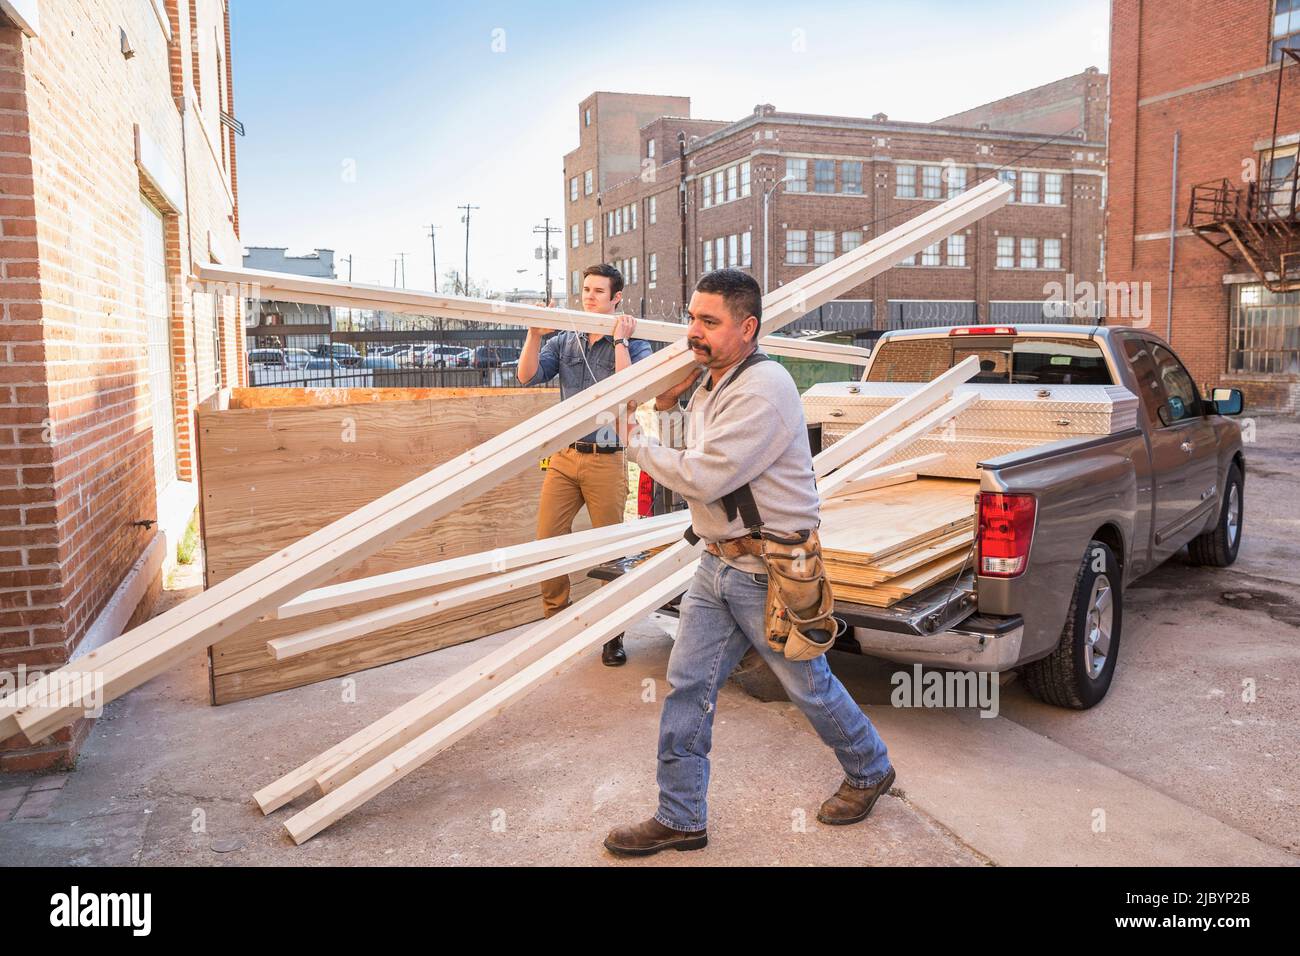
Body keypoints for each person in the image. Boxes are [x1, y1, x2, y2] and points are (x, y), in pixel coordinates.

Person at [604, 268, 895, 856]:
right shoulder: (715, 381)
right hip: (718, 565)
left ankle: (870, 770)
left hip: (772, 573)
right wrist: (663, 403)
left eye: (709, 322)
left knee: (808, 686)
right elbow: (695, 448)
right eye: (691, 317)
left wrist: (633, 437)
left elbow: (705, 475)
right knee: (688, 687)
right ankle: (680, 816)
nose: (694, 331)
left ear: (748, 327)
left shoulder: (763, 388)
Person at [517, 263, 653, 666]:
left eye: (598, 291)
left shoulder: (635, 341)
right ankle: (557, 622)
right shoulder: (565, 341)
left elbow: (632, 394)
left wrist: (621, 343)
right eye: (586, 289)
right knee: (548, 543)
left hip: (606, 460)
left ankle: (613, 635)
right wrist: (534, 333)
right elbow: (527, 376)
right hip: (563, 457)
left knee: (611, 552)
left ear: (616, 298)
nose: (589, 297)